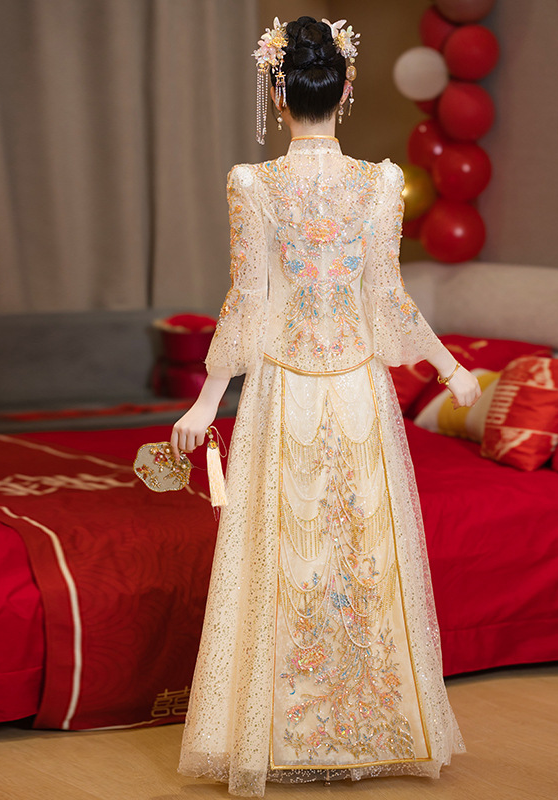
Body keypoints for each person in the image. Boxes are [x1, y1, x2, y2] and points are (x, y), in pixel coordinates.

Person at [171, 15, 480, 797]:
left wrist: (207, 400)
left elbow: (249, 300)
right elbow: (388, 298)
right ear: (345, 89)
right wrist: (451, 368)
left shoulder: (252, 183)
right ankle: (366, 726)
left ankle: (280, 730)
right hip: (357, 389)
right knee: (365, 551)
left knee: (286, 553)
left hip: (284, 386)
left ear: (278, 93)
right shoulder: (379, 183)